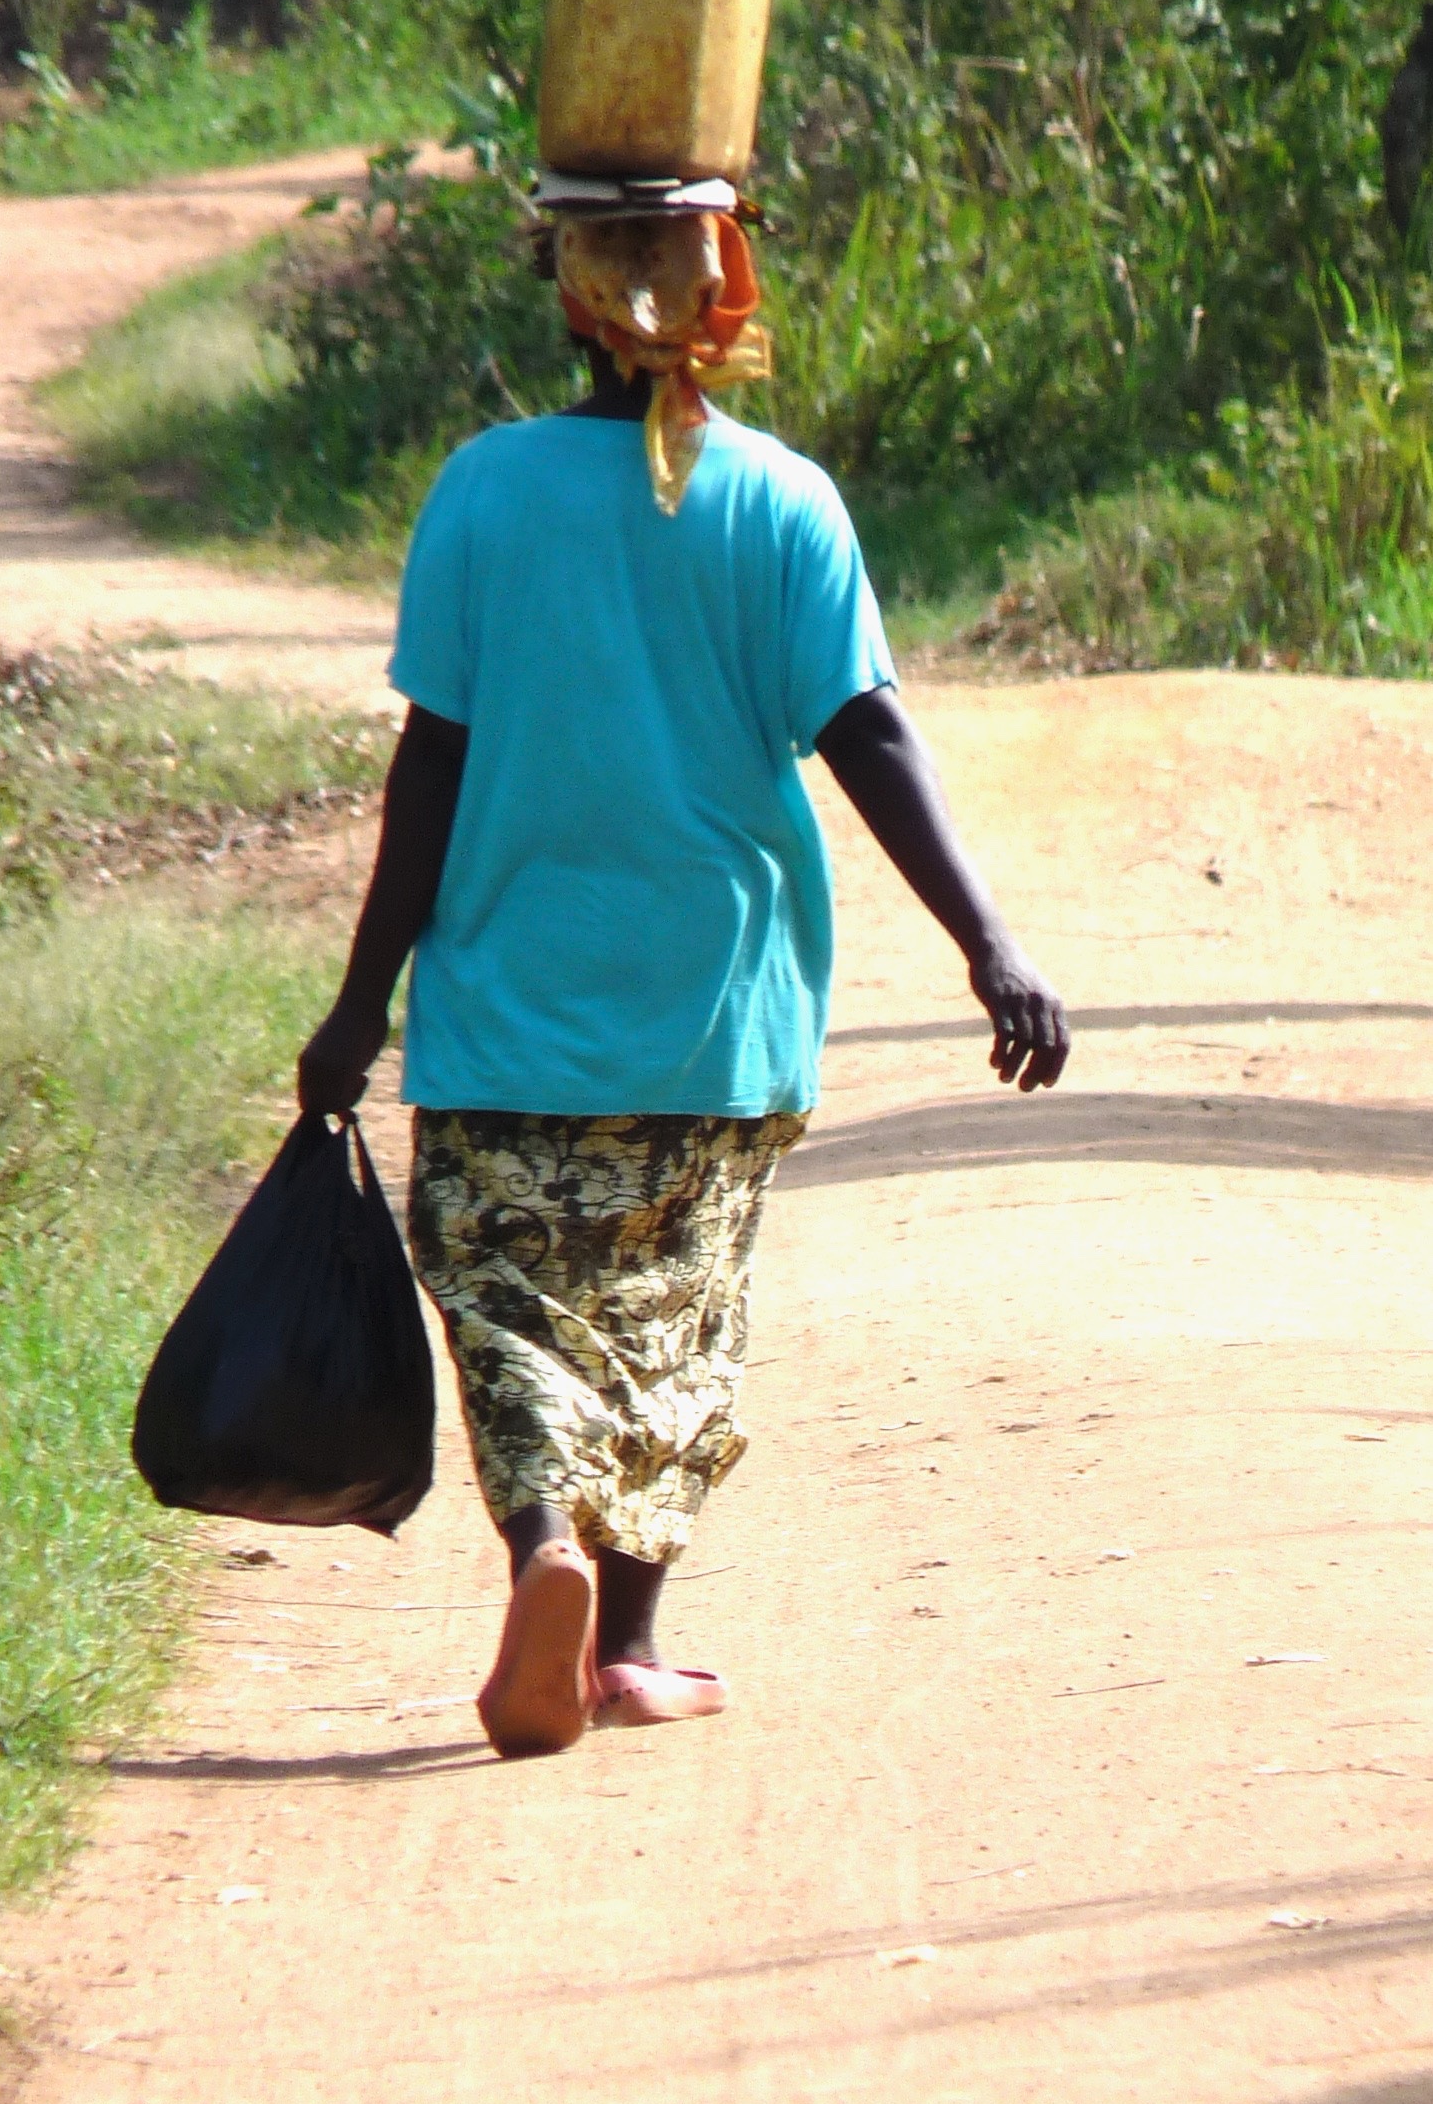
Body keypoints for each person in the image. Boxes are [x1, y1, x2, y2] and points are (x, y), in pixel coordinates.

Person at [296, 247, 1070, 1760]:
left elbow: (432, 766)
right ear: (727, 310)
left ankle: (546, 1557)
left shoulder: (481, 491)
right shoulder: (785, 501)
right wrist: (989, 941)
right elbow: (869, 732)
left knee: (509, 1304)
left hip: (508, 1006)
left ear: (571, 310)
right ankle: (631, 1646)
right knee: (672, 1324)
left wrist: (359, 1001)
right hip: (714, 1015)